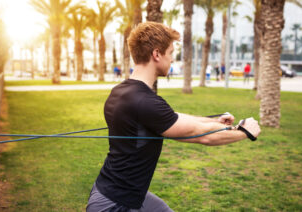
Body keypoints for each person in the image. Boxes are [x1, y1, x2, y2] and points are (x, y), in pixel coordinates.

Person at [86, 22, 261, 212]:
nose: (171, 60)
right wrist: (245, 132)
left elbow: (172, 118)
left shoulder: (121, 92)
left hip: (119, 191)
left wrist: (213, 121)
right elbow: (202, 136)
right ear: (156, 54)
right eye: (170, 53)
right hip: (115, 204)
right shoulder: (145, 101)